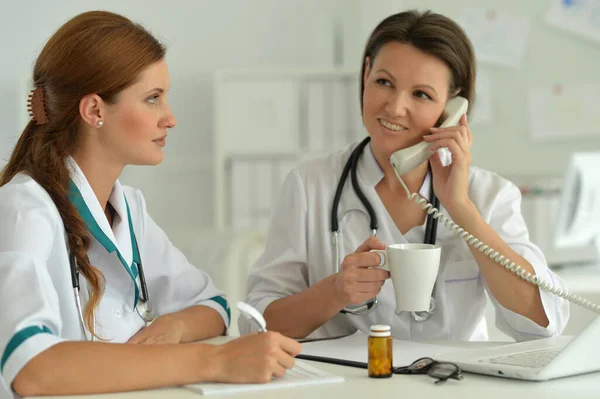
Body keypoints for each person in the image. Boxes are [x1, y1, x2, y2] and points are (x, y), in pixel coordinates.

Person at [0, 11, 300, 398]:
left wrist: (173, 327)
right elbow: (31, 369)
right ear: (94, 111)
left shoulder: (128, 207)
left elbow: (213, 306)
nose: (170, 118)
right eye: (153, 99)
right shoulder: (24, 210)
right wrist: (216, 362)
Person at [241, 10, 569, 341]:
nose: (395, 107)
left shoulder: (489, 195)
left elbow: (542, 322)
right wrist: (336, 291)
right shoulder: (311, 186)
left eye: (421, 94)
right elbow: (258, 323)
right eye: (384, 82)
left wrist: (460, 207)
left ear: (452, 109)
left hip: (455, 388)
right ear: (366, 73)